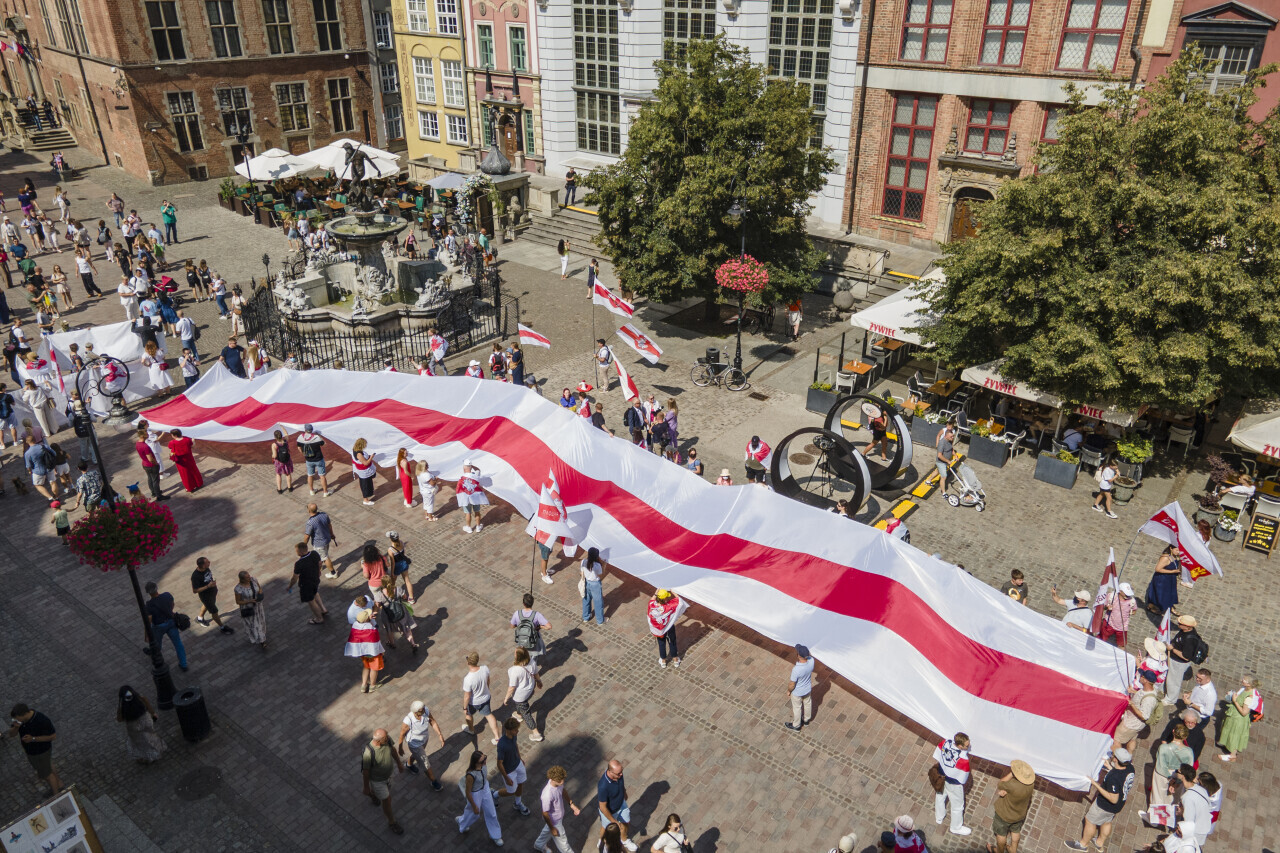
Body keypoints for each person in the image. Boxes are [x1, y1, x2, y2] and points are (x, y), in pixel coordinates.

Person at [1064, 747, 1135, 851]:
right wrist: (1110, 767)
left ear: (1116, 759)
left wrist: (1095, 784)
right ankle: (1099, 842)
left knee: (1090, 821)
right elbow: (1121, 778)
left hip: (1104, 806)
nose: (1112, 756)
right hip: (1118, 806)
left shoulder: (1113, 777)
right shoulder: (1130, 768)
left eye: (1113, 755)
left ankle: (1083, 845)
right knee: (1107, 821)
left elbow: (1113, 799)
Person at [6, 704, 61, 794]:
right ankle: (59, 784)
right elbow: (11, 734)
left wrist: (33, 739)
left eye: (17, 718)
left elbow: (53, 736)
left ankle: (56, 795)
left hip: (41, 752)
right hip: (31, 752)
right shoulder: (19, 721)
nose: (15, 720)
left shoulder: (41, 720)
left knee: (47, 775)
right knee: (48, 766)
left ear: (24, 714)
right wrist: (16, 727)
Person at [361, 729, 406, 835]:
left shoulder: (387, 740)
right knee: (387, 799)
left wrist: (399, 763)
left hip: (388, 777)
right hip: (378, 781)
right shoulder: (368, 754)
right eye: (386, 737)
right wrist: (366, 787)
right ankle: (392, 822)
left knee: (384, 795)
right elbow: (366, 772)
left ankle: (373, 795)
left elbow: (393, 750)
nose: (388, 737)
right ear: (379, 740)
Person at [397, 699, 446, 791]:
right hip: (415, 744)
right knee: (425, 763)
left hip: (424, 739)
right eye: (421, 710)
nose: (424, 710)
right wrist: (400, 748)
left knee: (417, 755)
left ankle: (409, 764)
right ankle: (433, 781)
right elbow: (402, 734)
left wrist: (440, 734)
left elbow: (432, 721)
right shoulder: (408, 720)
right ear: (415, 712)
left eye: (423, 708)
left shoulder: (426, 711)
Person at [456, 750, 503, 844]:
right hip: (475, 793)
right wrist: (474, 806)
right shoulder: (471, 775)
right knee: (474, 813)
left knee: (491, 812)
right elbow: (468, 792)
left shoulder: (483, 766)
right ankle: (462, 822)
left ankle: (495, 835)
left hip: (485, 788)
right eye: (482, 761)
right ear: (476, 762)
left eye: (485, 758)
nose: (485, 761)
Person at [991, 760, 1035, 853]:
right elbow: (1015, 793)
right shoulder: (1031, 785)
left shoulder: (1012, 785)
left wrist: (1011, 773)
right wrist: (1007, 792)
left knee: (1001, 834)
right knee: (1015, 831)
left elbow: (1001, 783)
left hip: (1004, 815)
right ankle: (1013, 850)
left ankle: (999, 851)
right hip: (1019, 815)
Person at [933, 733, 973, 835]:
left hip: (941, 775)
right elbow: (963, 778)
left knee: (940, 796)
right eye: (967, 745)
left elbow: (937, 755)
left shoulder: (945, 742)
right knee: (957, 806)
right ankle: (955, 827)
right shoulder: (963, 759)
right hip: (953, 783)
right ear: (960, 746)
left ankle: (939, 817)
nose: (969, 746)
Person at [1217, 674, 1263, 762]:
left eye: (1244, 680)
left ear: (1249, 684)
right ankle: (1225, 743)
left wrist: (1235, 701)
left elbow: (1244, 712)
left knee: (1235, 736)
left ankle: (1232, 756)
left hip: (1238, 720)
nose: (1242, 680)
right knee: (1228, 730)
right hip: (1233, 716)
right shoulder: (1244, 688)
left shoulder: (1250, 697)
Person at [144, 580, 188, 671]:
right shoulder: (167, 595)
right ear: (157, 588)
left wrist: (147, 634)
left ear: (148, 592)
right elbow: (172, 604)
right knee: (178, 643)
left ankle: (156, 657)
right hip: (171, 622)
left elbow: (149, 620)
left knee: (157, 644)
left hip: (158, 626)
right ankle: (183, 664)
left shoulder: (149, 605)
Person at [536, 765, 581, 853]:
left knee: (547, 831)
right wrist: (552, 828)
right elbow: (545, 813)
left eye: (563, 779)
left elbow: (563, 790)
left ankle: (539, 844)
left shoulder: (558, 783)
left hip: (557, 817)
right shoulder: (547, 795)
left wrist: (571, 804)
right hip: (555, 821)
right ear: (552, 779)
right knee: (563, 843)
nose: (562, 782)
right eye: (560, 780)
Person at [1113, 672, 1160, 753]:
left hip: (1130, 724)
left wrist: (1132, 705)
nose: (1139, 677)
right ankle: (1129, 756)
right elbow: (1141, 698)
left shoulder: (1149, 700)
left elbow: (1144, 716)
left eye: (1142, 676)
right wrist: (1134, 691)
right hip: (1136, 725)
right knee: (1132, 739)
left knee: (1116, 740)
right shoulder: (1148, 690)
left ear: (1145, 680)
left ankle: (1119, 759)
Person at [504, 648, 544, 742]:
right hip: (530, 688)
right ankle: (518, 714)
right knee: (521, 706)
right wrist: (539, 681)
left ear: (517, 657)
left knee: (526, 714)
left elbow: (512, 687)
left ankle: (536, 733)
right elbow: (536, 673)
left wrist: (506, 698)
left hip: (520, 695)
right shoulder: (532, 662)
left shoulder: (515, 670)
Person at [116, 685, 164, 764]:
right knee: (150, 737)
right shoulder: (140, 698)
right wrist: (153, 714)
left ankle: (145, 757)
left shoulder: (122, 707)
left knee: (140, 743)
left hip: (133, 727)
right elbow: (148, 706)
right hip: (146, 721)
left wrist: (119, 709)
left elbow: (119, 719)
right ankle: (156, 751)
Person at [494, 716, 532, 815]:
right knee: (511, 791)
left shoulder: (514, 736)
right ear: (508, 730)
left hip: (518, 764)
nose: (517, 731)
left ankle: (518, 803)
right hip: (509, 771)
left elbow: (515, 745)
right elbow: (499, 764)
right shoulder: (502, 745)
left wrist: (520, 758)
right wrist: (507, 778)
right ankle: (495, 795)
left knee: (520, 783)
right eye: (515, 730)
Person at [462, 651, 502, 744]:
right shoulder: (485, 668)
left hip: (473, 702)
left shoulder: (468, 679)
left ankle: (471, 729)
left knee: (468, 714)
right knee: (489, 715)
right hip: (486, 698)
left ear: (468, 662)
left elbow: (467, 696)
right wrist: (486, 689)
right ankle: (497, 737)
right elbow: (488, 681)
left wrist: (464, 707)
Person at [597, 759, 637, 851]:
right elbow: (602, 807)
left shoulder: (618, 774)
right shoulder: (603, 786)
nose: (621, 774)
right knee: (606, 828)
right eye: (618, 773)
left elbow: (621, 784)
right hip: (609, 811)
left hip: (621, 804)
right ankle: (602, 841)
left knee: (626, 822)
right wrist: (614, 821)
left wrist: (624, 793)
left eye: (621, 771)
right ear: (610, 772)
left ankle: (624, 840)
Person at [190, 557, 234, 634]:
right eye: (207, 562)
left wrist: (212, 585)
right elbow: (195, 590)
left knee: (207, 605)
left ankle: (199, 618)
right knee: (214, 611)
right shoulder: (195, 576)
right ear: (203, 565)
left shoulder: (206, 568)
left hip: (212, 592)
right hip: (206, 596)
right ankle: (222, 627)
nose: (209, 562)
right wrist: (208, 586)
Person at [288, 541, 328, 625]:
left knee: (311, 601)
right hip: (315, 580)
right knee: (315, 592)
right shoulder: (314, 553)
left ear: (301, 552)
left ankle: (319, 618)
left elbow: (294, 578)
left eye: (296, 551)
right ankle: (323, 609)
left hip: (306, 585)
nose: (296, 552)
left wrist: (290, 586)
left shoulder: (299, 563)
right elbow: (320, 563)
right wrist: (318, 571)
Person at [1164, 614, 1201, 705]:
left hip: (1179, 663)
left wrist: (1172, 649)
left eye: (1181, 624)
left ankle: (1171, 699)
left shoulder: (1189, 640)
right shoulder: (1183, 631)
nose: (1178, 624)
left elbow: (1186, 656)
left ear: (1188, 627)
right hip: (1174, 659)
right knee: (1169, 677)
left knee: (1174, 680)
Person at [346, 607, 385, 692]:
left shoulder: (355, 626)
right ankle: (372, 685)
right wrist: (382, 651)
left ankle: (364, 685)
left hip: (362, 652)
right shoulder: (372, 630)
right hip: (372, 653)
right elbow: (377, 643)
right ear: (367, 619)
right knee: (374, 668)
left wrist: (369, 619)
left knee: (366, 667)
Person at [647, 589, 688, 669]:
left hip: (659, 630)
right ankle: (675, 659)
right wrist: (673, 591)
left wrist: (657, 591)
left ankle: (663, 661)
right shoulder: (668, 606)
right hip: (668, 627)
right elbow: (680, 602)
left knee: (661, 643)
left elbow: (652, 599)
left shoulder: (652, 605)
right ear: (665, 599)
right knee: (672, 641)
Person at [304, 503, 340, 579]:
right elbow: (329, 525)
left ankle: (333, 573)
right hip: (327, 539)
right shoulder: (324, 515)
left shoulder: (310, 522)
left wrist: (304, 545)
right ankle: (319, 567)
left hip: (319, 544)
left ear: (309, 510)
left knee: (325, 557)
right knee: (321, 555)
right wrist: (332, 534)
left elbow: (307, 536)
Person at [234, 570, 267, 650]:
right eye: (247, 577)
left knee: (261, 622)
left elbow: (259, 588)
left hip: (258, 606)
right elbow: (238, 602)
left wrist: (260, 594)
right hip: (248, 609)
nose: (250, 577)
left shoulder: (254, 580)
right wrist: (249, 601)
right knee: (255, 624)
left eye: (249, 575)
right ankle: (262, 641)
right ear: (242, 579)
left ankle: (261, 637)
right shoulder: (238, 589)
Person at [785, 643, 815, 732]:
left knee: (797, 708)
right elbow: (810, 657)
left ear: (798, 655)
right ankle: (806, 720)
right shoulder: (812, 661)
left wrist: (789, 691)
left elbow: (792, 684)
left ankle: (796, 726)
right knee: (808, 703)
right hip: (807, 689)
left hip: (797, 692)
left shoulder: (796, 669)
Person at [295, 425, 331, 497]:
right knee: (322, 476)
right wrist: (319, 435)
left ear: (305, 430)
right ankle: (325, 492)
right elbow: (324, 443)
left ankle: (311, 490)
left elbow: (299, 447)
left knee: (310, 475)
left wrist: (304, 454)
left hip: (308, 460)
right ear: (312, 430)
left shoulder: (300, 437)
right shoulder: (316, 437)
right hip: (318, 459)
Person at [1146, 545, 1181, 616]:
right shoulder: (1165, 558)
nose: (1178, 552)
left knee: (1170, 593)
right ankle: (1152, 606)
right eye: (1177, 550)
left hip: (1170, 578)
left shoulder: (1175, 557)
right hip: (1162, 579)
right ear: (1171, 548)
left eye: (1179, 550)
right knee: (1161, 594)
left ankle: (1170, 606)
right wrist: (1172, 571)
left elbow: (1177, 568)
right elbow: (1158, 569)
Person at [135, 427, 168, 501]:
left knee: (150, 478)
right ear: (143, 436)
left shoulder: (137, 443)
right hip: (151, 465)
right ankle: (158, 495)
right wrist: (156, 464)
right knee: (156, 480)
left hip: (144, 464)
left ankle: (153, 492)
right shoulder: (145, 446)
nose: (148, 435)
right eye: (146, 434)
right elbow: (150, 458)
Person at [1100, 582, 1137, 647]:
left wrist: (1131, 612)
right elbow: (1102, 607)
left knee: (1122, 645)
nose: (1128, 596)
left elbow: (1134, 611)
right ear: (1120, 591)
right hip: (1109, 623)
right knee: (1101, 639)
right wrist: (1107, 607)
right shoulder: (1111, 596)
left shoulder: (1132, 601)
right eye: (1126, 594)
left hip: (1122, 627)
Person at [456, 459, 489, 532]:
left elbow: (459, 488)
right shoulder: (475, 475)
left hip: (466, 498)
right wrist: (471, 466)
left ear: (464, 468)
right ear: (470, 467)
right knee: (477, 511)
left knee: (468, 513)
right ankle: (478, 527)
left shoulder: (461, 477)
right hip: (475, 497)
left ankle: (468, 527)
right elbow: (478, 470)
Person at [23, 435, 59, 500]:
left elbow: (28, 466)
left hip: (38, 471)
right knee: (53, 482)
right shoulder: (44, 446)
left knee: (37, 485)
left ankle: (50, 497)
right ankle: (56, 497)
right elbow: (54, 453)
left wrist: (29, 471)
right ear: (35, 440)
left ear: (27, 442)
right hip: (49, 467)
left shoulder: (28, 453)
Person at [581, 547, 607, 625]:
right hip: (595, 585)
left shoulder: (583, 561)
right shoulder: (597, 565)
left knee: (586, 600)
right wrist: (604, 565)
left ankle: (586, 617)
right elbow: (601, 575)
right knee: (598, 602)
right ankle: (600, 620)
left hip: (587, 582)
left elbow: (581, 572)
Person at [351, 437, 378, 505]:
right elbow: (365, 463)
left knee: (367, 484)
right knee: (365, 485)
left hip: (364, 472)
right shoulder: (359, 454)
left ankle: (367, 496)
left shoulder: (355, 449)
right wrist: (371, 457)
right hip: (364, 472)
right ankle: (365, 500)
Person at [935, 423, 957, 487]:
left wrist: (955, 455)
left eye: (953, 436)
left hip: (946, 459)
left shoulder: (950, 438)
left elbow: (951, 448)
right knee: (944, 477)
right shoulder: (942, 442)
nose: (953, 438)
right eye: (951, 437)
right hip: (941, 461)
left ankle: (929, 480)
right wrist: (937, 444)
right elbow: (939, 455)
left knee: (938, 470)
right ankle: (943, 491)